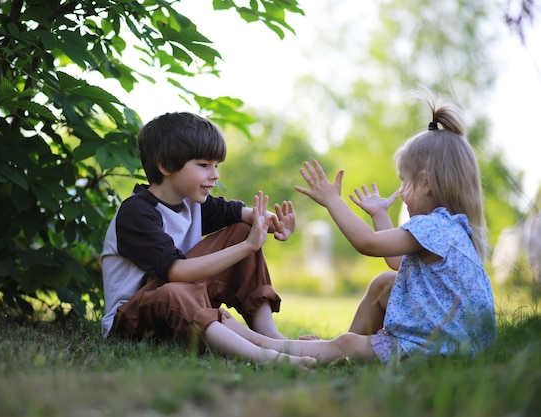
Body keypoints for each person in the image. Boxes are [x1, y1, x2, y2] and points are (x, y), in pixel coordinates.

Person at [236, 94, 497, 365]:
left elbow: (368, 243)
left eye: (403, 182)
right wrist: (380, 214)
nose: (400, 192)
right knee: (384, 283)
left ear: (426, 183)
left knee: (348, 342)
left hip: (436, 351)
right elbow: (397, 261)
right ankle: (338, 353)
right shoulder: (451, 227)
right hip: (460, 343)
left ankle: (270, 345)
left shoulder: (432, 227)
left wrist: (332, 200)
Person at [101, 111, 316, 368]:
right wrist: (248, 246)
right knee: (174, 290)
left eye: (216, 165)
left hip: (183, 300)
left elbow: (241, 213)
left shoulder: (192, 203)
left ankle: (270, 335)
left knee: (239, 228)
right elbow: (175, 272)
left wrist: (273, 223)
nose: (214, 175)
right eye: (203, 165)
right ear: (165, 165)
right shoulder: (137, 212)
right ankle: (263, 356)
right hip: (133, 319)